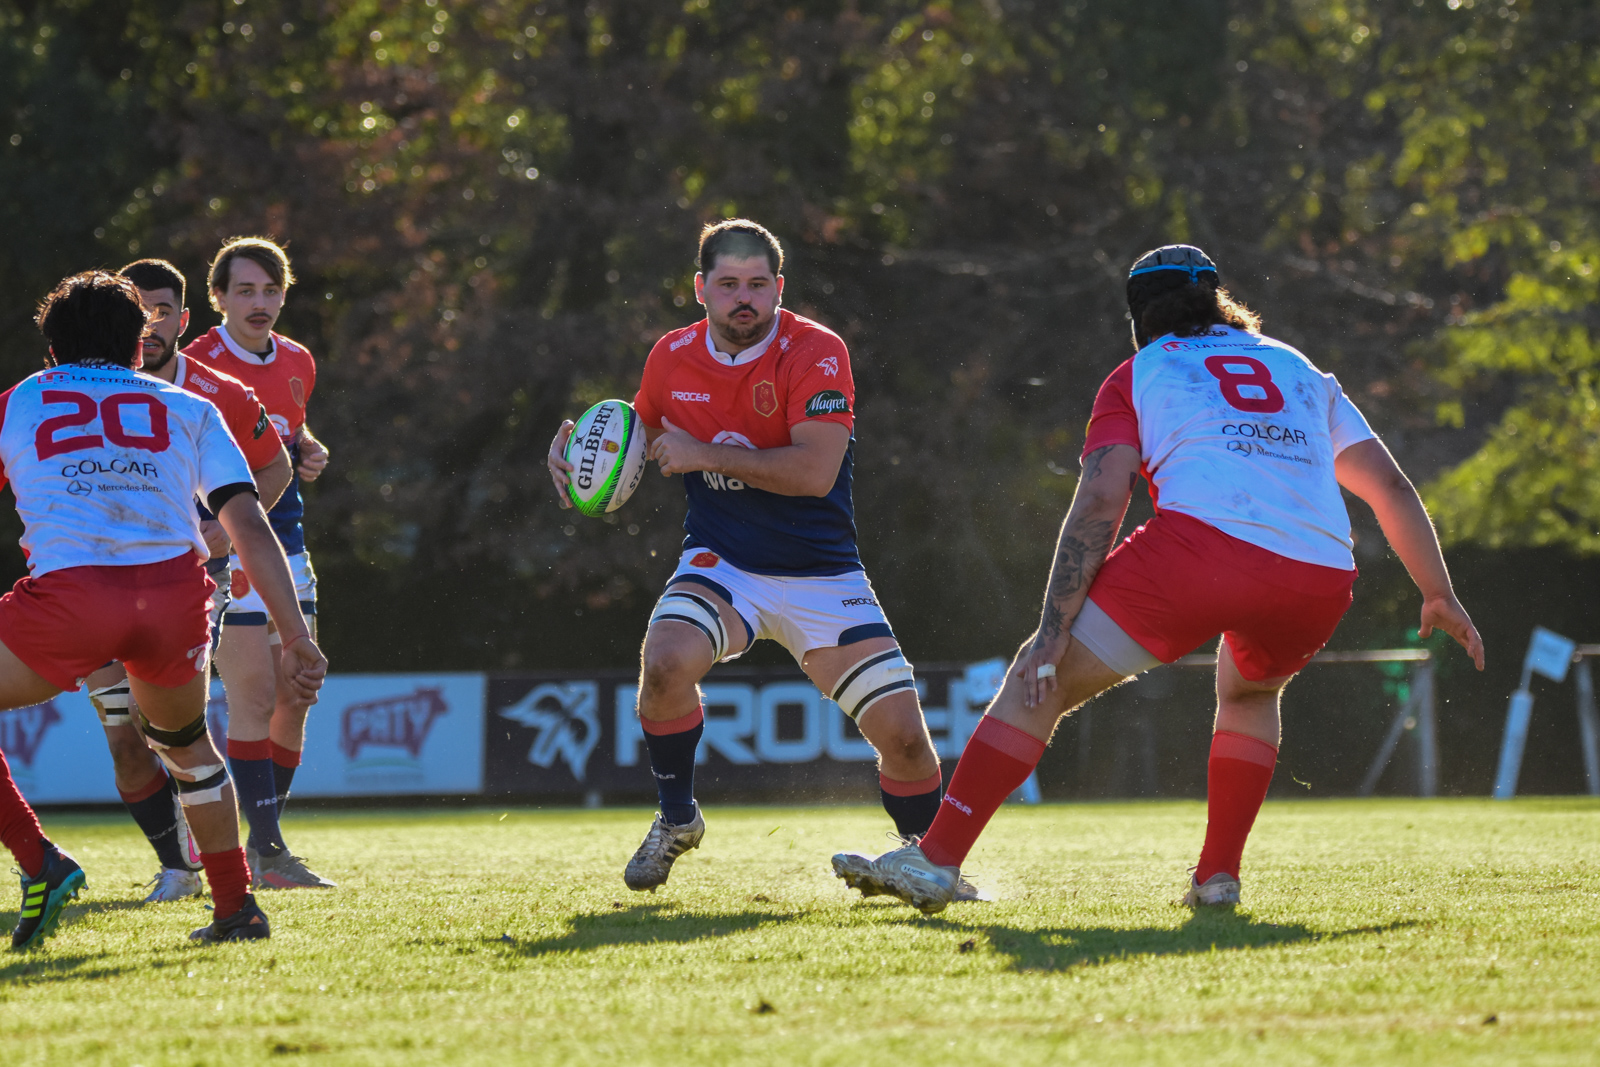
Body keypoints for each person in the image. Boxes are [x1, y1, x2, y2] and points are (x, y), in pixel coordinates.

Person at [833, 244, 1486, 914]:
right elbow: (1390, 486)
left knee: (1038, 676)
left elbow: (1100, 499)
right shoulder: (1300, 368)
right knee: (1250, 692)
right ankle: (1217, 878)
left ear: (1138, 318)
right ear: (1218, 298)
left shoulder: (1138, 372)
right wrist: (1438, 592)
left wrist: (1052, 630)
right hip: (1318, 573)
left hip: (1200, 554)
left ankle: (937, 858)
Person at [548, 219, 960, 895]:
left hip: (822, 572)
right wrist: (578, 460)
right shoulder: (671, 356)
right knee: (666, 661)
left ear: (779, 288)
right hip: (725, 564)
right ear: (700, 288)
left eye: (758, 284)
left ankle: (929, 862)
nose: (745, 298)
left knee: (907, 741)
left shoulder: (816, 351)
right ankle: (676, 818)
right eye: (729, 283)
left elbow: (814, 473)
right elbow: (635, 434)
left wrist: (703, 453)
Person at [0, 271, 326, 947]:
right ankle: (236, 907)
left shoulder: (21, 399)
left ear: (52, 348)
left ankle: (40, 861)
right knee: (187, 747)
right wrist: (295, 634)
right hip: (176, 598)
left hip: (73, 597)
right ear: (136, 344)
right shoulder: (189, 404)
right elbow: (249, 524)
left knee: (147, 741)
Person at [79, 259, 293, 904]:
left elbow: (276, 467)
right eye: (138, 312)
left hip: (191, 584)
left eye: (162, 311)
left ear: (183, 318)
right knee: (124, 739)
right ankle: (177, 868)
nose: (149, 325)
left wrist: (222, 530)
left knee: (172, 729)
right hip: (92, 582)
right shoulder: (79, 391)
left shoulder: (217, 393)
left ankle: (237, 869)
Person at [184, 237, 334, 890]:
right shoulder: (195, 365)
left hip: (288, 540)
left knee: (298, 690)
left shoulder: (298, 360)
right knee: (254, 694)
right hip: (226, 546)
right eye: (245, 290)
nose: (260, 302)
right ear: (217, 297)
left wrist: (308, 449)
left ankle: (260, 837)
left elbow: (287, 434)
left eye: (271, 290)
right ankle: (267, 852)